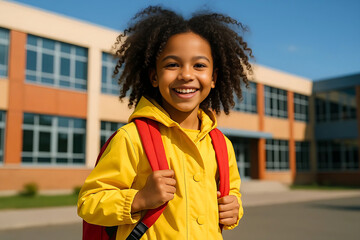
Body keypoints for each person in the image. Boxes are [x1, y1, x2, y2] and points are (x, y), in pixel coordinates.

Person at [78, 5, 253, 240]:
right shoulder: (131, 138)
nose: (186, 75)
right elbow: (89, 203)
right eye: (172, 64)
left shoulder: (221, 144)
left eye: (199, 65)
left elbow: (232, 194)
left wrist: (235, 208)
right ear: (154, 76)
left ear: (213, 78)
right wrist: (139, 198)